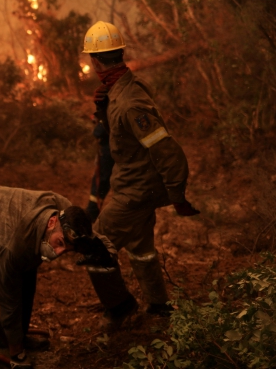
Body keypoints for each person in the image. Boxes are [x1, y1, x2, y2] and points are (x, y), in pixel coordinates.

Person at [80, 21, 201, 330]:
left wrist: (177, 194)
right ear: (120, 53)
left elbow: (165, 148)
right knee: (141, 247)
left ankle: (119, 309)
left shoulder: (130, 102)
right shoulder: (125, 90)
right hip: (134, 188)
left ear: (95, 61)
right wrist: (105, 109)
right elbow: (123, 142)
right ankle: (159, 306)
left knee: (95, 248)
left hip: (133, 192)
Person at [0, 183, 116, 369]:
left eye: (67, 249)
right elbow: (8, 299)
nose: (59, 253)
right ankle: (11, 346)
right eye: (60, 243)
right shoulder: (10, 244)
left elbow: (90, 235)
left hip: (11, 222)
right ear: (52, 222)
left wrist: (107, 251)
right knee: (11, 289)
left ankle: (11, 336)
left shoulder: (62, 207)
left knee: (28, 276)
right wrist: (17, 355)